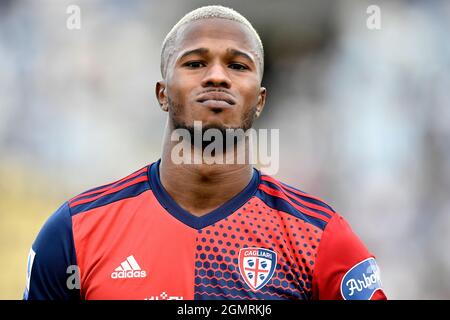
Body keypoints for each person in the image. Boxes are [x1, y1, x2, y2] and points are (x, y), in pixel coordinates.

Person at [23, 5, 386, 300]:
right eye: (195, 63)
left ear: (259, 100)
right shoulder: (75, 232)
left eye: (238, 65)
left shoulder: (320, 238)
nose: (216, 76)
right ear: (162, 93)